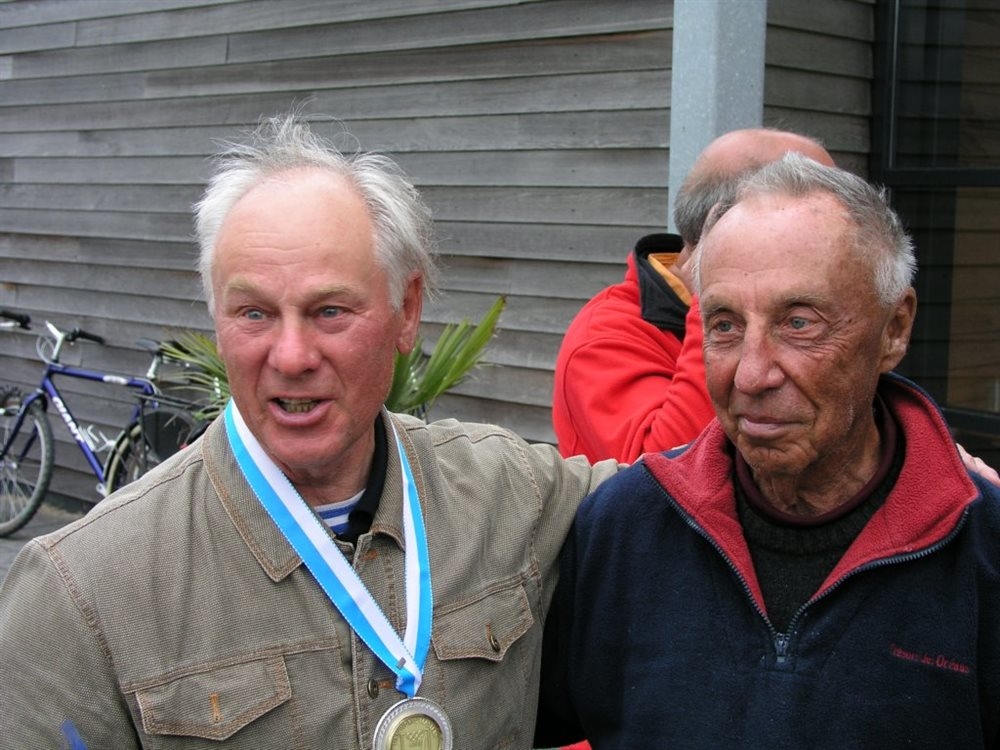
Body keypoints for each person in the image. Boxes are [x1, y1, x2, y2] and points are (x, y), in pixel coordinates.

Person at [0, 115, 621, 749]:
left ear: (406, 311)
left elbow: (676, 499)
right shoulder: (81, 593)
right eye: (254, 313)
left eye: (330, 311)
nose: (292, 355)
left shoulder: (513, 494)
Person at [535, 153, 1000, 748]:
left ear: (894, 329)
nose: (752, 375)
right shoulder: (624, 527)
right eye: (725, 325)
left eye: (799, 323)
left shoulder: (982, 549)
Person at [552, 128, 836, 464]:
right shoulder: (604, 335)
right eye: (818, 213)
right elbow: (664, 470)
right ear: (732, 224)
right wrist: (716, 295)